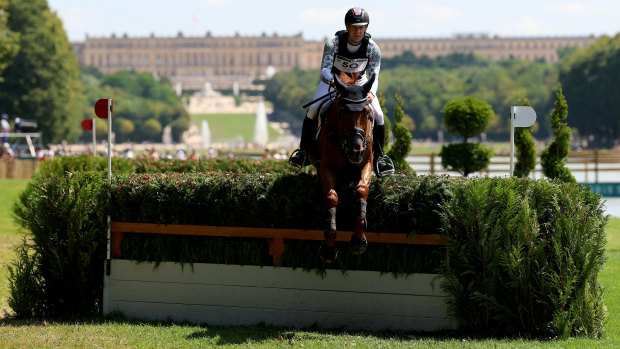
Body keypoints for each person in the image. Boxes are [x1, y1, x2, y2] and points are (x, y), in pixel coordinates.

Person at [289, 7, 394, 176]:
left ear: (366, 28)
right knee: (314, 109)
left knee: (379, 115)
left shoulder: (373, 49)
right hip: (334, 81)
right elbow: (324, 69)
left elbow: (374, 75)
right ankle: (303, 152)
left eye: (361, 27)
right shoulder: (334, 43)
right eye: (354, 27)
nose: (357, 31)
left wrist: (371, 93)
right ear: (347, 27)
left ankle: (379, 159)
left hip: (360, 83)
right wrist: (334, 82)